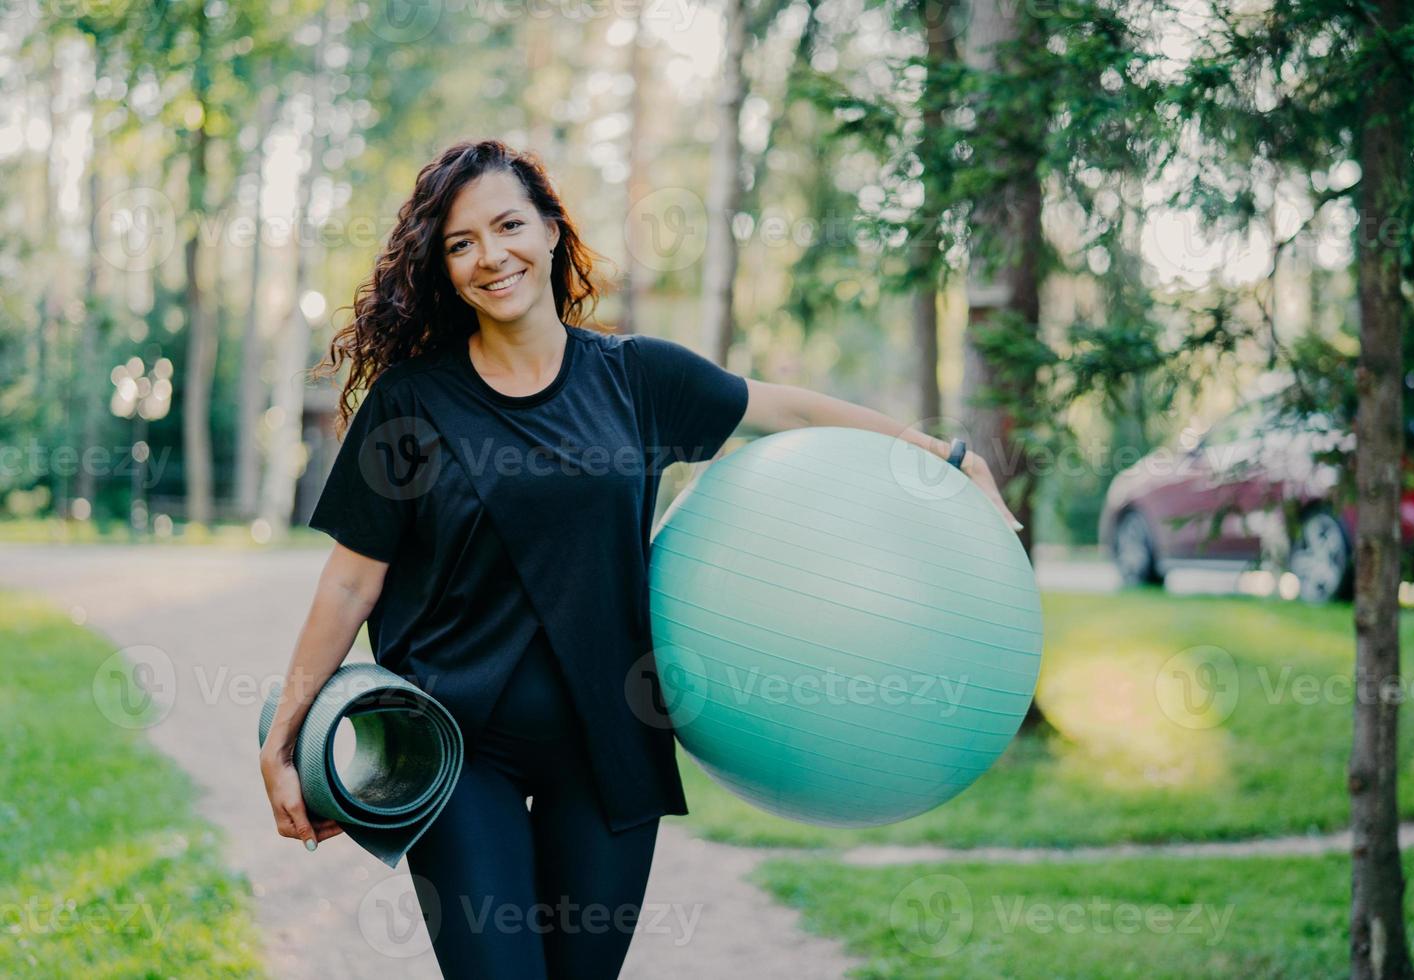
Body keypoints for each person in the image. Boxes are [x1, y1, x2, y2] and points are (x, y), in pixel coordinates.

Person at [258, 138, 1021, 980]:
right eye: (460, 243)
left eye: (509, 225)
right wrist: (286, 734)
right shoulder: (413, 401)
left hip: (610, 740)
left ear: (552, 231)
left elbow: (786, 410)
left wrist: (941, 456)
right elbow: (351, 580)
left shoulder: (635, 378)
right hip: (461, 745)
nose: (490, 256)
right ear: (443, 267)